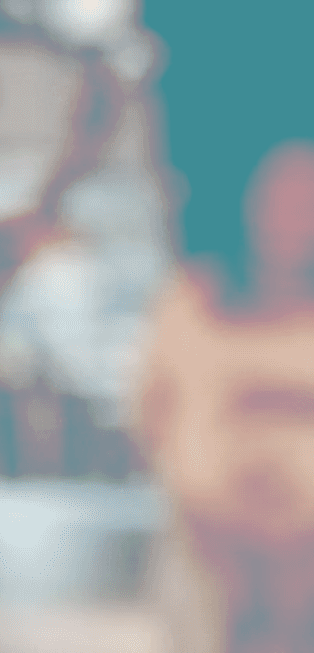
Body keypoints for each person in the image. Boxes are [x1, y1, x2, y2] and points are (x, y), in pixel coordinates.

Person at [137, 141, 314, 653]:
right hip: (210, 562)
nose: (294, 219)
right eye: (281, 200)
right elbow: (151, 411)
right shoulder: (192, 299)